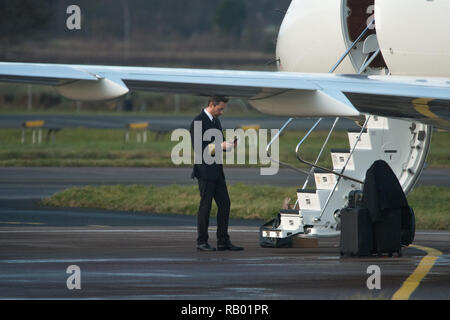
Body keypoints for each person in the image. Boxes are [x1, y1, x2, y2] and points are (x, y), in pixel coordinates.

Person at [189, 96, 244, 252]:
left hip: (217, 170)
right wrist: (220, 145)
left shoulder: (215, 121)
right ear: (211, 105)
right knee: (205, 206)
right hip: (205, 170)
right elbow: (199, 149)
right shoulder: (198, 121)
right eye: (220, 108)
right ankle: (202, 241)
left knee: (225, 204)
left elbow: (218, 146)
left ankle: (223, 240)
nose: (222, 112)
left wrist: (229, 146)